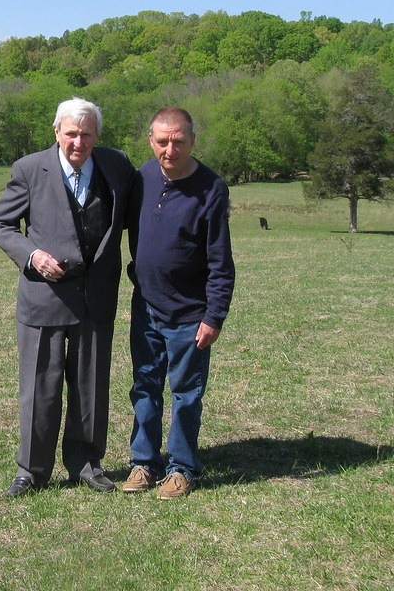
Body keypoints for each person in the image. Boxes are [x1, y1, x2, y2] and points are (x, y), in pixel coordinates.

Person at [0, 98, 135, 497]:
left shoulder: (117, 165)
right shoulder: (29, 169)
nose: (78, 142)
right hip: (44, 298)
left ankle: (86, 464)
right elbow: (0, 223)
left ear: (97, 135)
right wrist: (32, 256)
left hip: (96, 298)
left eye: (86, 134)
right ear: (56, 132)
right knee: (40, 389)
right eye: (71, 133)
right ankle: (31, 471)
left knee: (91, 387)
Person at [123, 107, 235, 499]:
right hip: (146, 305)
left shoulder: (211, 188)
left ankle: (182, 469)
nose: (170, 150)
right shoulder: (143, 177)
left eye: (179, 141)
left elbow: (220, 260)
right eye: (162, 141)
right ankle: (144, 463)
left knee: (186, 393)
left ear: (192, 140)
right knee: (145, 386)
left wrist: (214, 315)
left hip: (190, 313)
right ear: (150, 140)